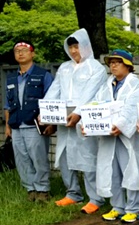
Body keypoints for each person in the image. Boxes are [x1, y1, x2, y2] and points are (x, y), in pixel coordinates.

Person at [43, 28, 107, 214]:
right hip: (64, 119)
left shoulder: (96, 68)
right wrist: (46, 111)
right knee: (64, 155)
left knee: (88, 157)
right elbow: (55, 90)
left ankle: (96, 198)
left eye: (77, 47)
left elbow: (90, 93)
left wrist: (78, 112)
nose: (73, 51)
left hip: (85, 118)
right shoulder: (64, 67)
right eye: (70, 47)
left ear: (85, 46)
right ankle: (73, 193)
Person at [91, 50, 139, 223]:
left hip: (126, 136)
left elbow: (132, 108)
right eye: (111, 63)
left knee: (130, 169)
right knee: (111, 171)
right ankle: (117, 207)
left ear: (128, 65)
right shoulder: (106, 86)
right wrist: (88, 124)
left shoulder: (137, 85)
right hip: (108, 136)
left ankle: (133, 208)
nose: (113, 65)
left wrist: (120, 125)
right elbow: (95, 106)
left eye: (117, 62)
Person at [4, 40, 53, 202]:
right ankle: (30, 189)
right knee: (22, 159)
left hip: (35, 126)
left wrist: (50, 123)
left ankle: (43, 190)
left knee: (38, 158)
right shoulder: (11, 78)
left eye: (24, 50)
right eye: (17, 50)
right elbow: (7, 104)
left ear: (33, 53)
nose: (20, 53)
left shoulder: (43, 75)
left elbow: (51, 100)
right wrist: (7, 125)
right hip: (16, 125)